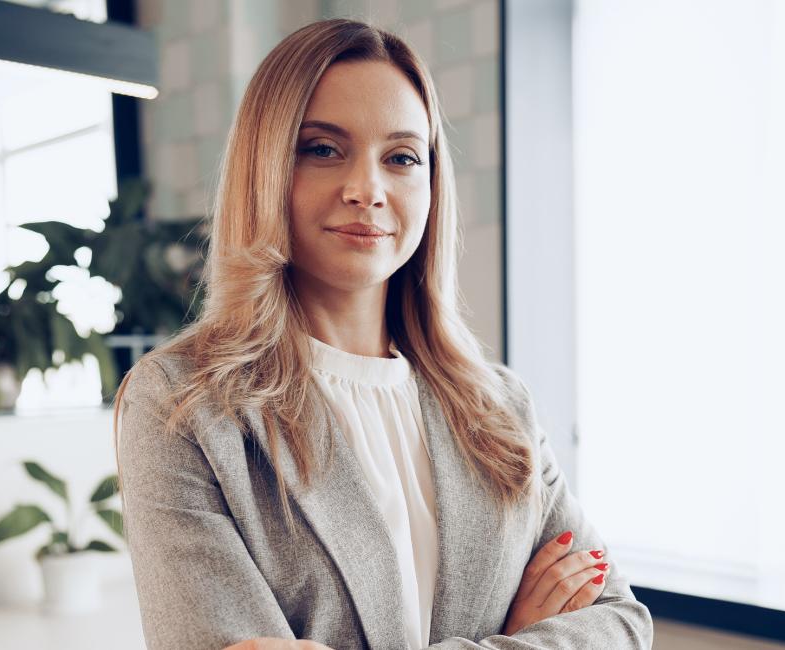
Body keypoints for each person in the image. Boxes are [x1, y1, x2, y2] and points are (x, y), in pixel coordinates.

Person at [112, 18, 652, 650]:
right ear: (265, 169)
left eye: (401, 157)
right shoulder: (183, 406)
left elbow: (620, 623)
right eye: (322, 149)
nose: (366, 190)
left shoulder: (501, 405)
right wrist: (516, 638)